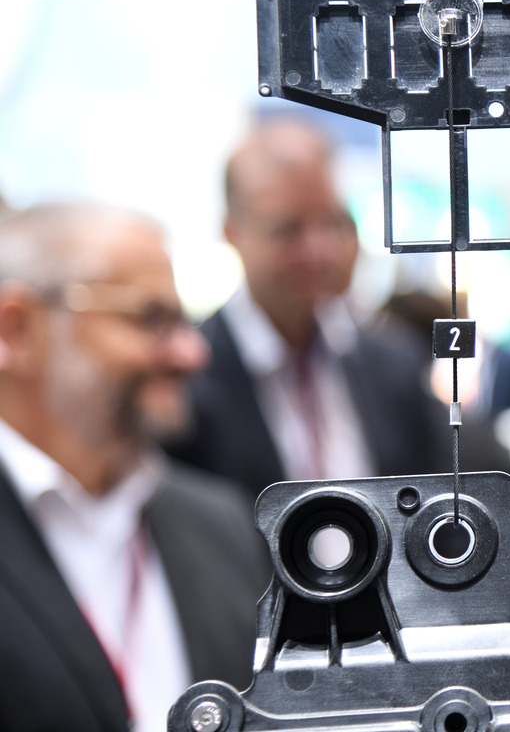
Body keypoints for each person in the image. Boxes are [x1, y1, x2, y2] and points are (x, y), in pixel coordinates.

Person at [0, 203, 268, 732]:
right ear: (17, 330)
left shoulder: (222, 526)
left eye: (184, 321)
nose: (192, 353)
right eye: (151, 319)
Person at [167, 119, 452, 497]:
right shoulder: (187, 380)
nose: (320, 251)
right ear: (232, 233)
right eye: (289, 229)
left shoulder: (393, 366)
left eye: (331, 223)